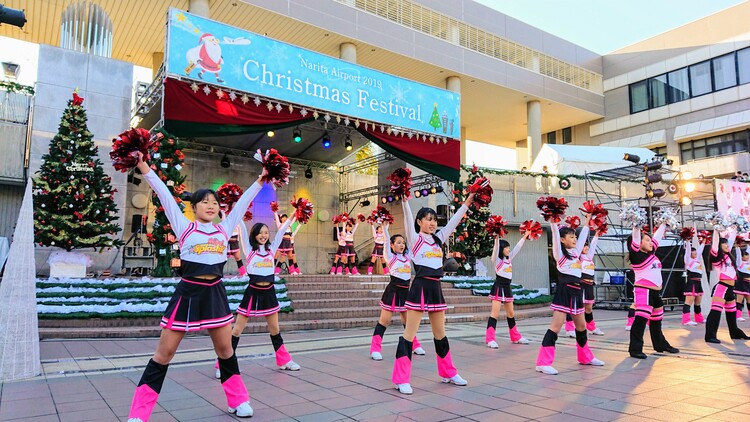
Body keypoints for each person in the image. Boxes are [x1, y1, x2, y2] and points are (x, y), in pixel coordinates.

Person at [127, 152, 261, 421]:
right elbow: (164, 193)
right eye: (204, 202)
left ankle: (238, 400)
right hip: (188, 294)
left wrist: (261, 180)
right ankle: (139, 413)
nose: (210, 206)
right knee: (164, 354)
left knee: (226, 351)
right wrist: (143, 166)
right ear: (195, 207)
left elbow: (244, 201)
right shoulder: (184, 227)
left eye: (214, 202)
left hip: (215, 294)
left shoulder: (225, 229)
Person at [391, 190, 475, 395]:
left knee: (441, 334)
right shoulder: (414, 238)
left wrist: (468, 201)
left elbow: (454, 220)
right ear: (419, 221)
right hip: (419, 287)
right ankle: (400, 378)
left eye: (434, 220)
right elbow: (407, 215)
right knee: (409, 334)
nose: (432, 223)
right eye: (428, 220)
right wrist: (404, 200)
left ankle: (448, 372)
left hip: (435, 287)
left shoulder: (438, 239)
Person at [217, 215, 301, 377]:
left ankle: (284, 360)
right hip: (253, 292)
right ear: (254, 235)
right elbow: (240, 226)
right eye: (260, 233)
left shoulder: (271, 249)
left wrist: (293, 215)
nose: (263, 235)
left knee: (275, 329)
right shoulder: (249, 249)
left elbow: (282, 229)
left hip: (269, 293)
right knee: (237, 330)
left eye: (266, 232)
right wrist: (235, 209)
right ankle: (223, 365)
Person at [535, 214, 604, 375]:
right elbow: (554, 233)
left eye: (575, 236)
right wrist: (552, 222)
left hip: (577, 291)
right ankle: (543, 362)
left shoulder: (576, 253)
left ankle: (585, 357)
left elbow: (583, 236)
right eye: (571, 237)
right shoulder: (560, 254)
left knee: (581, 327)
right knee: (556, 327)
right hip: (564, 291)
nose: (574, 239)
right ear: (562, 240)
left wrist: (587, 221)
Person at [369, 223, 425, 361]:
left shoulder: (407, 257)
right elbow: (387, 241)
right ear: (392, 246)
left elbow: (414, 240)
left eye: (403, 243)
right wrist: (385, 229)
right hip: (393, 292)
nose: (402, 245)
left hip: (406, 292)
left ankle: (414, 344)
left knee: (408, 321)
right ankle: (375, 348)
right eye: (398, 243)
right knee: (385, 320)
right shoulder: (390, 257)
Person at [627, 222, 680, 359]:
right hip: (643, 291)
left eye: (651, 241)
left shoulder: (651, 254)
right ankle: (635, 349)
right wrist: (636, 225)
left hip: (656, 292)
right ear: (638, 242)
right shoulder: (636, 256)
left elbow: (657, 237)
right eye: (647, 240)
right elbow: (636, 237)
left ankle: (660, 345)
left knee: (657, 321)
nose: (651, 243)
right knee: (640, 321)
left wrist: (664, 223)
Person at [485, 231, 531, 349]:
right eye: (506, 248)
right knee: (495, 314)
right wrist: (496, 237)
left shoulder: (508, 259)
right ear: (501, 249)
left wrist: (524, 237)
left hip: (507, 287)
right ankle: (490, 339)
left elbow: (517, 248)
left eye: (509, 248)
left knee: (511, 314)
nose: (508, 250)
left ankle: (515, 337)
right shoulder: (497, 261)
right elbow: (495, 250)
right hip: (498, 287)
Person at [705, 228, 750, 343]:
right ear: (719, 246)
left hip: (730, 289)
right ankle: (710, 336)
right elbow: (715, 243)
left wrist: (735, 227)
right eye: (723, 243)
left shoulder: (729, 256)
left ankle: (734, 333)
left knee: (732, 313)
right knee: (715, 313)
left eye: (726, 242)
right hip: (721, 288)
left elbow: (731, 240)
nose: (726, 244)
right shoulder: (717, 258)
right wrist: (716, 229)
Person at [564, 232, 604, 337]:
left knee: (589, 308)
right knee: (576, 307)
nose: (586, 247)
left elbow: (594, 245)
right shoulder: (577, 257)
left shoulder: (589, 257)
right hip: (581, 285)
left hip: (589, 286)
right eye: (584, 245)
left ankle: (591, 327)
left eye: (587, 245)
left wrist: (597, 234)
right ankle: (569, 328)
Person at [683, 228, 706, 326]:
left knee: (698, 302)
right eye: (694, 251)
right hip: (692, 282)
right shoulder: (688, 261)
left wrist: (704, 242)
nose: (696, 253)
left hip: (698, 282)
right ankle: (686, 320)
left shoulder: (697, 259)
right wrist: (688, 242)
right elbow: (688, 251)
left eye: (696, 252)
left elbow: (700, 250)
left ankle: (699, 318)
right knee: (688, 302)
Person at [736, 245, 750, 322]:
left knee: (749, 301)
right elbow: (738, 255)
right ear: (742, 257)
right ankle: (738, 315)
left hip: (748, 284)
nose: (747, 257)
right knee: (739, 300)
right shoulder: (740, 263)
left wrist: (748, 245)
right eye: (745, 255)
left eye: (747, 255)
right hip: (741, 283)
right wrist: (737, 247)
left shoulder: (748, 264)